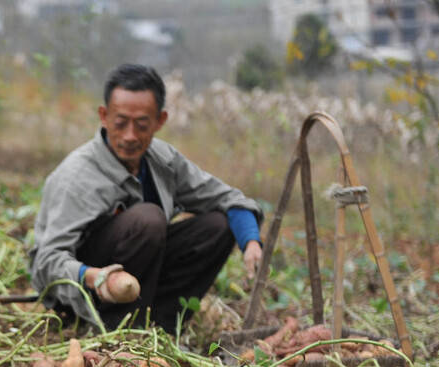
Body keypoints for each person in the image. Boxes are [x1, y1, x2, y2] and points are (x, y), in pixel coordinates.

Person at [27, 63, 263, 335]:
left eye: (141, 125)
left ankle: (160, 327)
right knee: (148, 219)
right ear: (104, 116)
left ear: (159, 121)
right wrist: (92, 276)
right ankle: (114, 330)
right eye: (120, 123)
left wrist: (251, 240)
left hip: (141, 282)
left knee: (218, 226)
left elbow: (226, 198)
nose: (130, 136)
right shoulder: (76, 178)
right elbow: (47, 262)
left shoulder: (163, 161)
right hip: (84, 292)